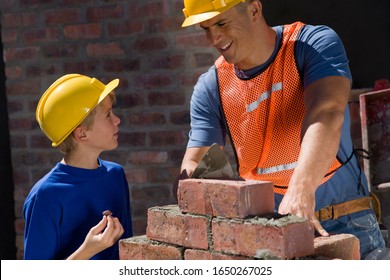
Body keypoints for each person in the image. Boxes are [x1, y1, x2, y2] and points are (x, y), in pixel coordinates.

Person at [178, 0, 385, 259]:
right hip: (272, 234)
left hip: (346, 221)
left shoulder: (311, 44)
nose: (213, 37)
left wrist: (300, 190)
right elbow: (196, 160)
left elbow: (326, 112)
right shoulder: (212, 87)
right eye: (205, 28)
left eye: (221, 23)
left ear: (254, 9)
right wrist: (193, 192)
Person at [23, 74, 133, 260]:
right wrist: (87, 251)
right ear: (82, 134)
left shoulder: (115, 175)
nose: (117, 120)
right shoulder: (45, 195)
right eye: (107, 115)